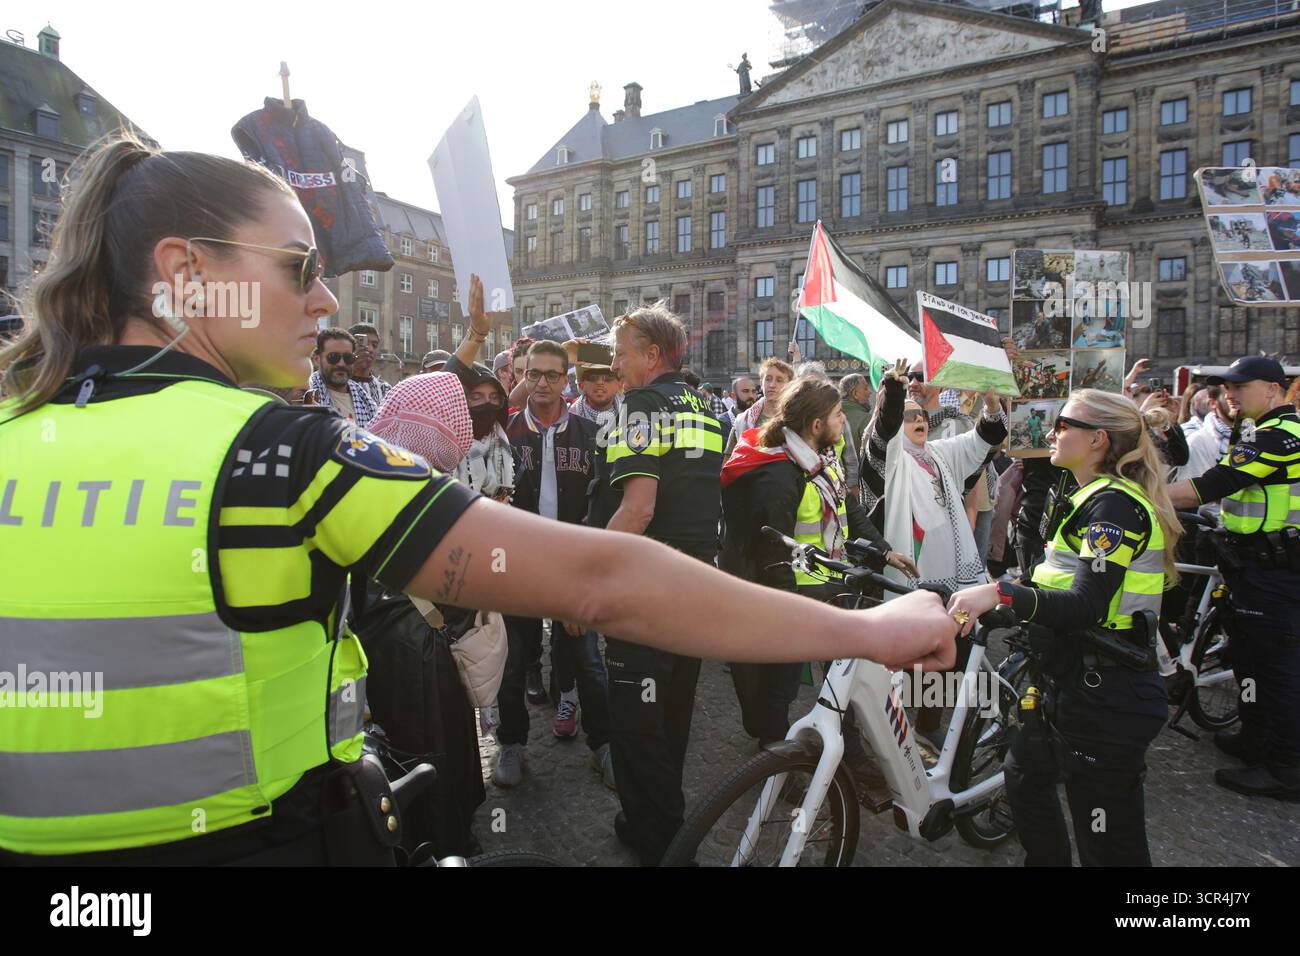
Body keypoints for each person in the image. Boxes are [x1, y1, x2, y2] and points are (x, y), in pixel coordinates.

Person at [0, 136, 956, 866]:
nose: (328, 299)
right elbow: (601, 580)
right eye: (298, 267)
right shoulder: (277, 453)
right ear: (184, 273)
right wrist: (869, 632)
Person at [949, 388, 1182, 866]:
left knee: (1106, 840)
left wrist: (1001, 594)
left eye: (1063, 424)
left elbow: (1086, 605)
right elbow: (1049, 581)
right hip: (1069, 678)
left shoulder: (1115, 507)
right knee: (1025, 776)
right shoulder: (1086, 494)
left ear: (1097, 439)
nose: (1051, 431)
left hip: (1108, 693)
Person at [585, 303, 723, 866]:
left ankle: (666, 842)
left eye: (621, 353)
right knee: (672, 713)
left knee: (637, 724)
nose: (615, 364)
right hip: (694, 581)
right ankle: (642, 819)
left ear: (651, 355)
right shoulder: (708, 406)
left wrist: (591, 577)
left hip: (648, 585)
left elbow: (637, 510)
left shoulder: (641, 405)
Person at [720, 376, 916, 746]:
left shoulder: (822, 459)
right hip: (796, 596)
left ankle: (848, 752)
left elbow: (848, 507)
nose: (843, 420)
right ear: (815, 425)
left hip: (830, 585)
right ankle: (776, 761)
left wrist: (885, 550)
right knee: (782, 685)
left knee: (840, 676)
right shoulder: (780, 474)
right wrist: (789, 608)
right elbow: (770, 552)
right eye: (838, 414)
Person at [1168, 357, 1300, 800]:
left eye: (1241, 386)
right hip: (1255, 565)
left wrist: (1136, 493)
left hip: (1274, 571)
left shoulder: (1279, 436)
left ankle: (1286, 767)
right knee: (1247, 658)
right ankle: (1255, 736)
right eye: (1227, 386)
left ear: (1274, 389)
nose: (1231, 394)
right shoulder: (1258, 431)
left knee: (1276, 667)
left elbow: (1209, 485)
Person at [496, 341, 612, 788]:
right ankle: (512, 743)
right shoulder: (505, 434)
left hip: (572, 569)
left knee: (588, 660)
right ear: (523, 377)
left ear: (567, 380)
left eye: (552, 375)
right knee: (512, 660)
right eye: (534, 374)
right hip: (519, 568)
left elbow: (601, 506)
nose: (542, 383)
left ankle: (603, 745)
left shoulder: (590, 433)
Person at [308, 327, 379, 427]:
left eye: (348, 358)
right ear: (317, 359)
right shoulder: (306, 394)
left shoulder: (367, 402)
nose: (341, 364)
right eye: (333, 357)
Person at [724, 357, 793, 458]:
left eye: (779, 380)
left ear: (789, 385)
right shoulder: (742, 421)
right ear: (761, 382)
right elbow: (728, 462)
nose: (772, 385)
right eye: (768, 379)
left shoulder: (796, 420)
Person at [348, 321, 390, 405]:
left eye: (374, 345)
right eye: (363, 343)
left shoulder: (385, 389)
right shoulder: (336, 384)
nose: (370, 349)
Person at [838, 373, 873, 462]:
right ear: (855, 394)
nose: (870, 392)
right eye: (865, 388)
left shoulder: (830, 415)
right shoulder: (866, 419)